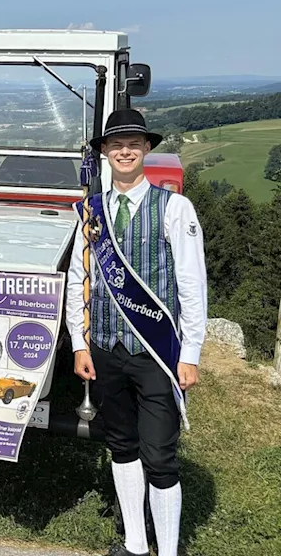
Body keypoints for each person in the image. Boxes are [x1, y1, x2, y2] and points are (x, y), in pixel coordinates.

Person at [65, 109, 207, 556]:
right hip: (104, 349)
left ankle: (167, 551)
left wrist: (191, 352)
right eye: (116, 144)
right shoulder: (91, 210)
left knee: (161, 456)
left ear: (147, 149)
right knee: (121, 446)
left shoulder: (174, 207)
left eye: (134, 143)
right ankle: (134, 544)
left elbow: (191, 283)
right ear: (105, 152)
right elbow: (78, 277)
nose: (125, 151)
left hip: (156, 353)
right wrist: (78, 341)